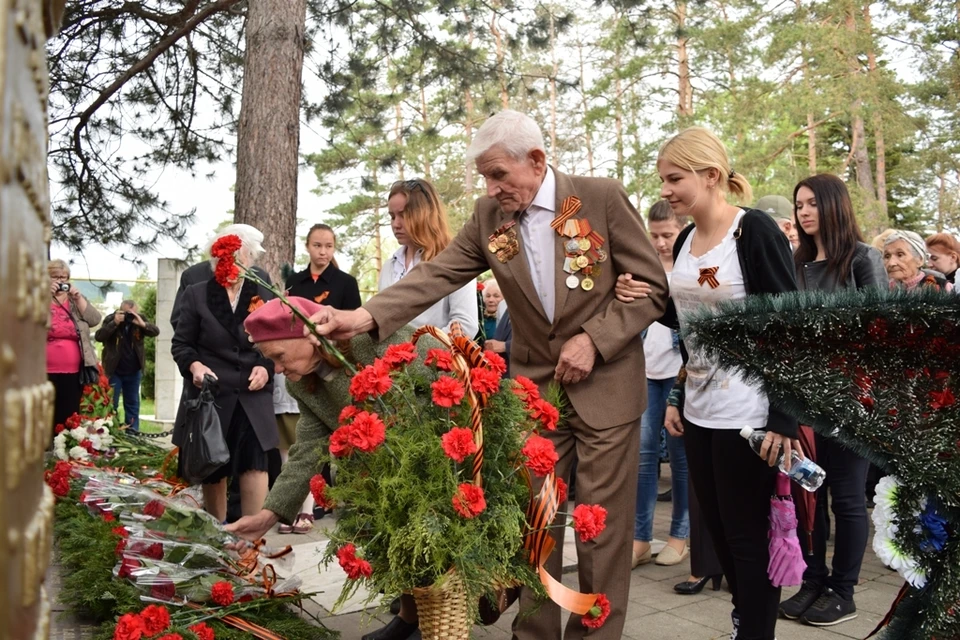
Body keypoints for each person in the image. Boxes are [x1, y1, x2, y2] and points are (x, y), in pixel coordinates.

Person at [304, 109, 669, 640]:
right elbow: (437, 273)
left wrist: (595, 339)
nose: (492, 187)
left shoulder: (600, 198)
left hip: (607, 390)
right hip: (536, 396)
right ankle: (533, 636)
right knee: (533, 527)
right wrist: (360, 318)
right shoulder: (488, 216)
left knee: (600, 531)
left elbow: (653, 287)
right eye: (485, 177)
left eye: (499, 174)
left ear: (537, 160)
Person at [617, 126, 801, 640]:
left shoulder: (754, 231)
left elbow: (790, 329)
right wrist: (648, 299)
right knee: (718, 534)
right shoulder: (683, 240)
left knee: (747, 538)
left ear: (711, 176)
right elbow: (686, 320)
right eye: (663, 180)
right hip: (697, 410)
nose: (666, 191)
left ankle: (755, 630)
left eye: (675, 178)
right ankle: (745, 620)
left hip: (749, 413)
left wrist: (783, 418)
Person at [779, 173, 886, 626]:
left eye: (812, 204)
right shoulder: (796, 263)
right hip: (806, 399)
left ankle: (844, 591)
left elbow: (883, 330)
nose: (804, 212)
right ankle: (813, 582)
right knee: (810, 494)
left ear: (833, 206)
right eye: (799, 204)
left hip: (852, 399)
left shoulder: (863, 259)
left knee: (845, 498)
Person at [170, 230, 278, 522]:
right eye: (223, 259)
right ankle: (218, 536)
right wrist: (194, 366)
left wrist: (265, 367)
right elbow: (181, 345)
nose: (229, 265)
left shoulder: (263, 291)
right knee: (213, 465)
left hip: (251, 393)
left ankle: (252, 543)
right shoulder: (197, 293)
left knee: (255, 464)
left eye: (238, 259)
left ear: (250, 260)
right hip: (212, 395)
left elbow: (274, 342)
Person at [281, 223, 362, 532]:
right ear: (308, 247)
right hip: (302, 368)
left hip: (334, 367)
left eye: (329, 246)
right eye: (318, 245)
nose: (323, 251)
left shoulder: (346, 282)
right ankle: (303, 504)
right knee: (308, 435)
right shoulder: (295, 281)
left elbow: (354, 327)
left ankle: (336, 499)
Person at [632, 200, 690, 569]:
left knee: (681, 459)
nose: (660, 243)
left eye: (667, 235)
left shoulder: (689, 267)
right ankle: (640, 538)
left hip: (680, 372)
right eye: (654, 236)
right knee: (643, 456)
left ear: (682, 229)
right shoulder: (643, 268)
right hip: (645, 370)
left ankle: (679, 535)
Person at [380, 179, 479, 338]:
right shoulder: (390, 266)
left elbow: (465, 326)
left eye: (403, 215)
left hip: (435, 360)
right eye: (392, 216)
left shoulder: (455, 260)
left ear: (425, 214)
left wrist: (411, 350)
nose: (395, 224)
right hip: (389, 360)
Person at [47, 259, 102, 432]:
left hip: (72, 370)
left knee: (68, 415)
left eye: (64, 277)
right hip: (41, 369)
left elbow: (95, 320)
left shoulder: (74, 299)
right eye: (55, 277)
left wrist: (78, 298)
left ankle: (62, 453)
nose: (61, 281)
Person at [94, 300, 160, 432]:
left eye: (132, 313)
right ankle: (111, 431)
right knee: (112, 403)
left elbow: (155, 332)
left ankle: (132, 432)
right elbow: (99, 336)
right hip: (114, 370)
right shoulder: (111, 319)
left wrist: (142, 323)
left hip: (134, 370)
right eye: (126, 313)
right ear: (120, 310)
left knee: (132, 403)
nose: (129, 316)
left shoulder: (139, 319)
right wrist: (115, 323)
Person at [883, 230, 953, 292]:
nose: (891, 263)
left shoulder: (942, 288)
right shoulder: (882, 290)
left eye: (900, 255)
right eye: (887, 256)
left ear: (920, 260)